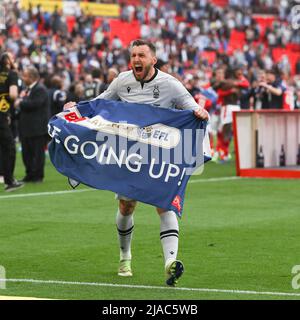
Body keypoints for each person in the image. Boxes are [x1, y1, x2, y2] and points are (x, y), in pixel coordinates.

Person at [64, 39, 209, 286]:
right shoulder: (122, 81)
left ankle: (170, 263)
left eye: (141, 55)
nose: (136, 60)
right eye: (133, 55)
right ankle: (124, 256)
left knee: (165, 205)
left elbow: (192, 108)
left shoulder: (170, 84)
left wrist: (200, 112)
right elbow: (101, 104)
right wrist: (76, 108)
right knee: (126, 208)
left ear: (153, 59)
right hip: (130, 155)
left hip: (160, 155)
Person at [15, 66, 49, 183]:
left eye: (25, 75)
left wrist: (20, 102)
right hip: (27, 128)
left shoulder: (40, 89)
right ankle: (29, 174)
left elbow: (35, 104)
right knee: (26, 154)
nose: (23, 78)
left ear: (31, 77)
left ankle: (38, 176)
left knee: (37, 153)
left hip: (37, 128)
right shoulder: (28, 89)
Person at [0, 52, 23, 192]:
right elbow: (13, 94)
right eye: (13, 58)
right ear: (8, 61)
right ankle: (9, 181)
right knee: (9, 147)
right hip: (1, 114)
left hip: (3, 113)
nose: (14, 60)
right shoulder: (11, 74)